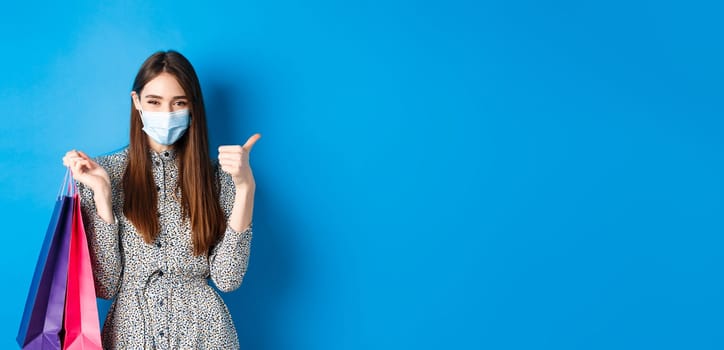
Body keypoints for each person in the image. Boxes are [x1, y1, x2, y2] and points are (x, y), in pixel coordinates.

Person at [62, 50, 260, 349]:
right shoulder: (105, 174)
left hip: (206, 336)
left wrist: (245, 187)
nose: (166, 113)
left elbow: (228, 279)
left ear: (192, 107)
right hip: (131, 336)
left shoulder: (218, 177)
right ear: (136, 101)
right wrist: (103, 195)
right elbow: (106, 285)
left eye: (178, 103)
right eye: (154, 101)